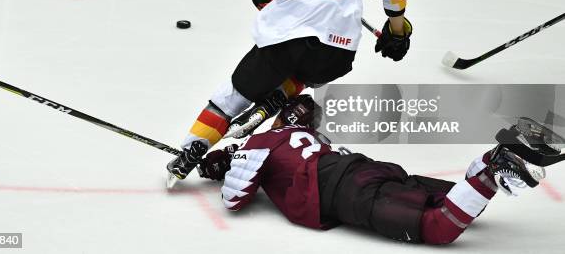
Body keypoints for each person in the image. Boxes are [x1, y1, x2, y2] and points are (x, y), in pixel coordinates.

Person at [167, 0, 412, 184]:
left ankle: (190, 149)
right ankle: (279, 97)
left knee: (230, 98)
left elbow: (262, 1)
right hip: (337, 50)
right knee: (313, 71)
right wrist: (397, 29)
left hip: (282, 44)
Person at [198, 95, 550, 244]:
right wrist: (232, 159)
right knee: (449, 199)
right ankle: (497, 158)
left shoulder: (261, 143)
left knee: (438, 227)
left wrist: (230, 162)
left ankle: (498, 162)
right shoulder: (306, 135)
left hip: (345, 190)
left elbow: (235, 199)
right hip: (368, 170)